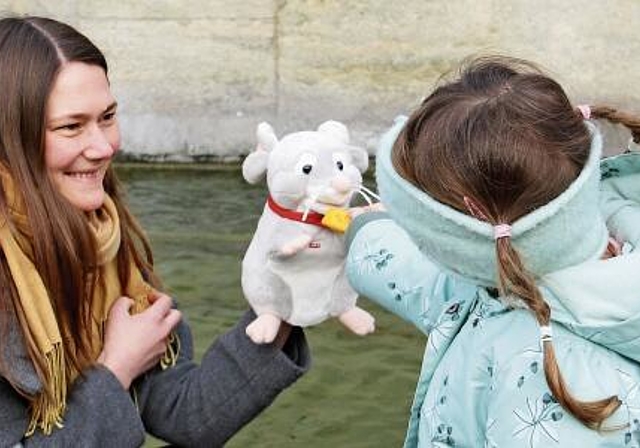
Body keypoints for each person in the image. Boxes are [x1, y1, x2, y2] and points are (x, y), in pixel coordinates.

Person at [0, 16, 309, 447]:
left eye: (107, 117)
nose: (104, 146)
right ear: (11, 137)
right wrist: (115, 370)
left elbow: (186, 414)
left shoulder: (107, 240)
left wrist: (288, 294)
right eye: (71, 126)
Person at [345, 56, 640, 447]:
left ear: (468, 225)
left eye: (420, 227)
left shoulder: (562, 393)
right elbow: (426, 282)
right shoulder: (530, 267)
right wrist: (363, 227)